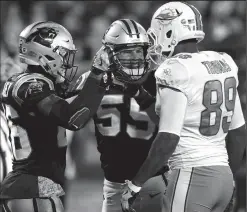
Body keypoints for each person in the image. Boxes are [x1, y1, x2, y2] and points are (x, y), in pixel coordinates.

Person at [120, 2, 246, 212]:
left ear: (169, 31)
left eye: (156, 34)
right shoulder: (223, 62)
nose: (154, 42)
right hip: (223, 178)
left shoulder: (174, 69)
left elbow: (168, 137)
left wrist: (135, 184)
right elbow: (239, 133)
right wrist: (229, 177)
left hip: (192, 176)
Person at [0, 21, 113, 212]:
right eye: (63, 54)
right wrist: (97, 75)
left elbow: (74, 96)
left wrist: (98, 74)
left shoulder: (32, 83)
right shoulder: (31, 85)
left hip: (30, 186)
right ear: (45, 53)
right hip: (34, 185)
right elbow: (72, 118)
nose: (66, 61)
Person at [70, 19, 168, 212]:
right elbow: (73, 120)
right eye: (127, 51)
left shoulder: (159, 80)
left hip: (153, 181)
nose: (135, 57)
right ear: (110, 53)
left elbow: (169, 129)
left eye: (139, 50)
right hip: (114, 184)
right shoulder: (93, 81)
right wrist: (95, 80)